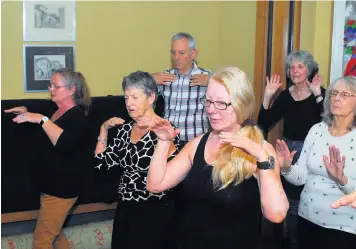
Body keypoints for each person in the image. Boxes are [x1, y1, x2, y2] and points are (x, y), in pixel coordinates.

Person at [146, 66, 288, 249]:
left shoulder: (260, 150)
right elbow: (155, 185)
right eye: (208, 101)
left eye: (221, 103)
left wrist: (261, 157)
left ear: (241, 104)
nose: (211, 110)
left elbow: (276, 214)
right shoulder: (198, 144)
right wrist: (163, 142)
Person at [4, 68, 92, 249]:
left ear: (72, 90)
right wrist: (26, 111)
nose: (51, 89)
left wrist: (41, 120)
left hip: (62, 190)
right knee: (55, 234)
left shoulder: (78, 117)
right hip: (50, 186)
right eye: (50, 85)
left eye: (56, 86)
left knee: (42, 239)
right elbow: (43, 119)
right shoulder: (56, 110)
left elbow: (63, 143)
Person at [93, 71, 180, 249]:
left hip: (154, 211)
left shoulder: (165, 131)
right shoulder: (125, 129)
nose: (129, 103)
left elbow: (171, 178)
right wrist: (103, 129)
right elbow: (101, 164)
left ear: (151, 97)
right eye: (126, 97)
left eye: (135, 97)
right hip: (126, 208)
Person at [276, 76, 356, 249]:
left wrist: (342, 179)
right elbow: (302, 177)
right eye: (334, 93)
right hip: (307, 218)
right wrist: (286, 168)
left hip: (344, 227)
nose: (336, 98)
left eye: (345, 94)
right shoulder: (317, 130)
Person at [257, 50, 325, 249]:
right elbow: (262, 126)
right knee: (288, 202)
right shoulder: (285, 96)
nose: (295, 71)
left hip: (312, 152)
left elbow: (328, 124)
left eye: (300, 66)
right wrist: (267, 96)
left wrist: (318, 95)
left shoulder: (321, 92)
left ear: (309, 69)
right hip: (288, 152)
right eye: (291, 67)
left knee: (307, 201)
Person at [152, 32, 210, 148]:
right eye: (173, 53)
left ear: (193, 54)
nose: (176, 57)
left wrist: (212, 81)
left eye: (182, 53)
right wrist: (150, 78)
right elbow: (132, 86)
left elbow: (236, 90)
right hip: (169, 142)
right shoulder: (165, 77)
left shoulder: (206, 77)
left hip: (196, 143)